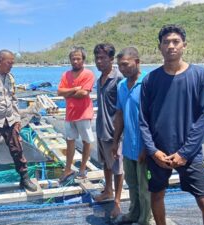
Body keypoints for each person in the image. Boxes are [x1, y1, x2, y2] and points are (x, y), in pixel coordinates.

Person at [139, 24, 204, 225]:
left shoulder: (200, 76)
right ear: (160, 47)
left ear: (184, 45)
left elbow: (203, 117)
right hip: (158, 153)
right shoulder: (150, 80)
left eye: (176, 41)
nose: (171, 46)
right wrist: (152, 150)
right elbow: (143, 119)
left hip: (190, 153)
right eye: (166, 42)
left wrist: (185, 153)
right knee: (156, 196)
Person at [0, 49, 37, 199]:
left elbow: (13, 99)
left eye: (12, 62)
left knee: (18, 149)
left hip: (10, 120)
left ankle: (24, 178)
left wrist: (17, 119)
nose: (11, 65)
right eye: (9, 62)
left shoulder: (10, 78)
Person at [113, 47, 151, 225]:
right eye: (120, 66)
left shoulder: (149, 83)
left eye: (126, 65)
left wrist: (147, 147)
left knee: (145, 188)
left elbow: (155, 118)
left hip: (145, 146)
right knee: (132, 184)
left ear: (137, 62)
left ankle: (145, 220)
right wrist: (115, 142)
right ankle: (133, 214)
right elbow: (120, 114)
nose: (122, 69)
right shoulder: (121, 86)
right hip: (128, 146)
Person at [92, 43, 124, 218]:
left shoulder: (119, 78)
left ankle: (117, 202)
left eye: (103, 58)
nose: (99, 61)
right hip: (101, 128)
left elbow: (122, 109)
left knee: (118, 168)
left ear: (112, 59)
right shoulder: (100, 79)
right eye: (97, 58)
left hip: (115, 132)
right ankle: (108, 190)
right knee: (105, 162)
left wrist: (118, 136)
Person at [57, 47, 95, 182]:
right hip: (70, 114)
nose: (75, 61)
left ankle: (83, 169)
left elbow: (84, 93)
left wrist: (68, 93)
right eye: (73, 58)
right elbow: (59, 92)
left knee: (86, 142)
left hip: (84, 114)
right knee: (70, 142)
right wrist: (74, 89)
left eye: (78, 58)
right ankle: (68, 169)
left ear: (83, 60)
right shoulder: (65, 75)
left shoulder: (88, 74)